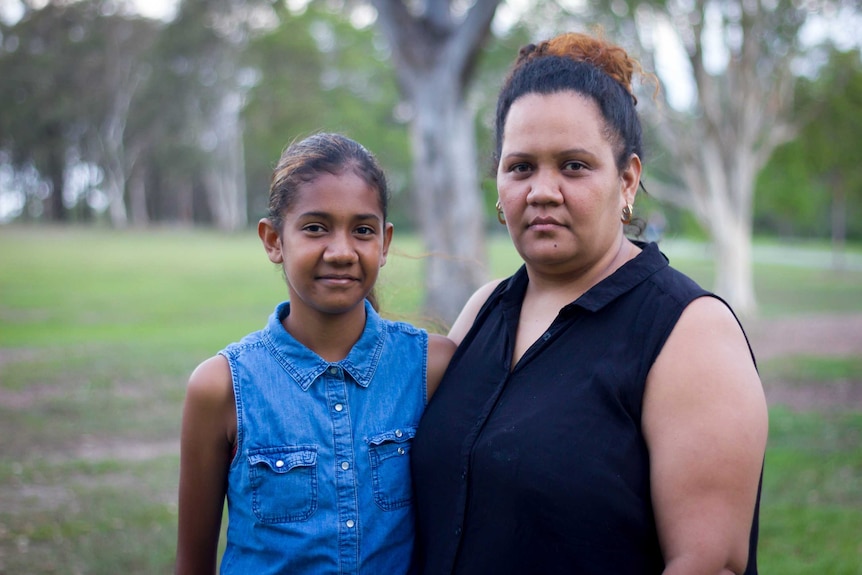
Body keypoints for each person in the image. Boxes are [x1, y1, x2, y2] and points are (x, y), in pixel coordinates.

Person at [411, 32, 768, 575]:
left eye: (573, 166)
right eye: (521, 167)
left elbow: (708, 564)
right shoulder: (484, 309)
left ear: (627, 180)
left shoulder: (688, 331)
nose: (543, 190)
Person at [175, 132, 456, 574]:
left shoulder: (432, 369)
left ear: (384, 243)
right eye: (315, 228)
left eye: (362, 230)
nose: (341, 251)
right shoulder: (221, 386)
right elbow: (192, 564)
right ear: (273, 240)